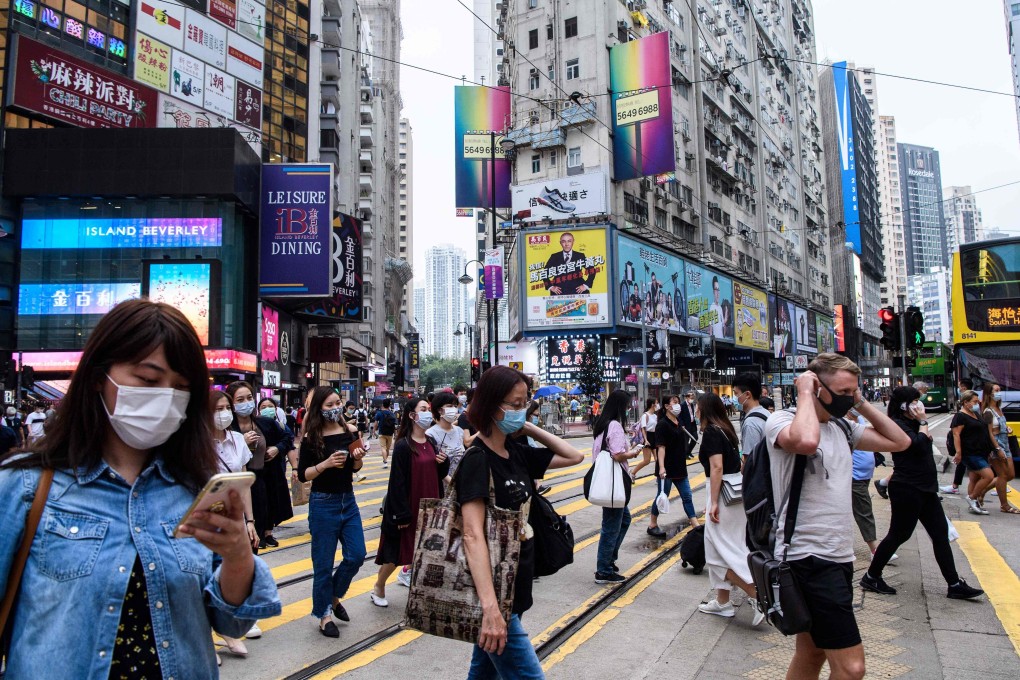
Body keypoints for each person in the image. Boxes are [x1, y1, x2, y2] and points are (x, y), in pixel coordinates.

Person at [0, 299, 281, 677]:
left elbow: (232, 624)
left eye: (180, 387)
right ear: (100, 375)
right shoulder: (25, 486)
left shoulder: (195, 488)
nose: (164, 396)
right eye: (148, 380)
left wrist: (237, 557)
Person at [764, 353, 911, 680]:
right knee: (852, 668)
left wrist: (859, 403)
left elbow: (900, 441)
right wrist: (803, 392)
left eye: (853, 391)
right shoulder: (782, 421)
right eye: (843, 391)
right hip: (809, 558)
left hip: (838, 555)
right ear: (817, 387)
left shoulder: (844, 427)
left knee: (811, 651)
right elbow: (804, 441)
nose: (849, 397)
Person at [457, 366, 584, 677]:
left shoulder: (515, 451)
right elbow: (472, 535)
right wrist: (490, 608)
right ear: (490, 405)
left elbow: (573, 456)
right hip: (496, 594)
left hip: (519, 583)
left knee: (484, 671)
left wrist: (526, 427)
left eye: (525, 402)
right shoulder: (477, 459)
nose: (521, 409)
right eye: (514, 404)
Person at [861, 386, 984, 600]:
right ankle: (872, 576)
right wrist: (924, 422)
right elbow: (916, 446)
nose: (919, 405)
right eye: (915, 401)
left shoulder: (914, 423)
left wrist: (921, 422)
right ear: (903, 405)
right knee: (899, 534)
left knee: (940, 534)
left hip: (926, 488)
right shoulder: (897, 425)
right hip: (907, 488)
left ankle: (954, 584)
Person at [297, 386, 367, 637]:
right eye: (329, 405)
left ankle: (334, 596)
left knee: (357, 554)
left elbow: (355, 468)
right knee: (323, 564)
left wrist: (358, 457)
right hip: (322, 503)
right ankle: (324, 614)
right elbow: (303, 475)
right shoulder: (311, 437)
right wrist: (325, 464)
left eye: (337, 402)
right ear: (318, 408)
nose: (335, 407)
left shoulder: (350, 431)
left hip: (348, 501)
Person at [697, 393, 764, 625]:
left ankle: (757, 594)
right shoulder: (726, 429)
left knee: (717, 554)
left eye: (697, 407)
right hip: (735, 493)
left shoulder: (712, 432)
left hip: (722, 495)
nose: (695, 411)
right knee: (724, 548)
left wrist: (713, 502)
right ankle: (722, 602)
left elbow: (716, 468)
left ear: (705, 409)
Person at [374, 399, 450, 605]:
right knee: (397, 553)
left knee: (427, 551)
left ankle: (423, 593)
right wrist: (401, 513)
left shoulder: (431, 442)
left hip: (430, 505)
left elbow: (437, 473)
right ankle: (379, 586)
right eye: (423, 409)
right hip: (409, 506)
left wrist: (444, 463)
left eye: (428, 410)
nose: (427, 413)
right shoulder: (403, 446)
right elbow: (396, 482)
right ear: (412, 415)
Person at [211, 388, 261, 659]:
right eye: (217, 409)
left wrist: (249, 521)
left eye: (225, 408)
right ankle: (215, 637)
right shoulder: (198, 443)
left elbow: (244, 485)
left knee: (236, 573)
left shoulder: (238, 441)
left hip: (234, 520)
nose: (224, 414)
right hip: (207, 520)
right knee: (209, 577)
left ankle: (233, 625)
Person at [226, 382, 294, 554]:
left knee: (258, 530)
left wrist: (276, 449)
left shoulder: (265, 423)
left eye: (249, 398)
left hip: (262, 482)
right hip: (235, 485)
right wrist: (243, 442)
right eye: (240, 399)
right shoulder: (226, 429)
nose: (246, 403)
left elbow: (288, 438)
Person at [592, 390, 642, 584]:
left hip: (608, 481)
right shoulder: (614, 426)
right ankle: (603, 570)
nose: (629, 408)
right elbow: (618, 455)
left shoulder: (603, 424)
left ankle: (609, 560)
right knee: (611, 526)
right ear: (620, 406)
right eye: (627, 405)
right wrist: (635, 452)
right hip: (613, 482)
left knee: (623, 520)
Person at [648, 395, 700, 538]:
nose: (678, 405)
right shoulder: (662, 424)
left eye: (678, 403)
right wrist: (662, 467)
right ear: (666, 406)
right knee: (662, 495)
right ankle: (652, 524)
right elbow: (661, 447)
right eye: (674, 403)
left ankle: (695, 524)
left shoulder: (678, 422)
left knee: (687, 496)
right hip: (667, 467)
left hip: (680, 467)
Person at [951, 390, 997, 515]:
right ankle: (972, 498)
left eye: (978, 401)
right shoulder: (960, 416)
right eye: (974, 401)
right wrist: (959, 452)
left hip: (981, 451)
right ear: (966, 402)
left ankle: (974, 504)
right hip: (970, 452)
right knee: (989, 475)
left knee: (974, 478)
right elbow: (956, 435)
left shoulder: (975, 413)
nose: (977, 403)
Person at [981, 383, 1018, 513]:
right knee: (1002, 475)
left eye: (999, 390)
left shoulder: (998, 408)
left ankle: (982, 491)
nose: (999, 392)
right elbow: (989, 432)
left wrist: (1006, 428)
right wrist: (997, 449)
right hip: (996, 445)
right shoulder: (987, 412)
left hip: (1005, 442)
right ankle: (1004, 505)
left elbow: (1000, 426)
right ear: (988, 393)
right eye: (996, 390)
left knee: (1010, 475)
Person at [428, 392, 472, 482]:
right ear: (439, 410)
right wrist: (452, 484)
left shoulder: (459, 431)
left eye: (455, 406)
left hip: (461, 484)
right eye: (449, 406)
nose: (454, 409)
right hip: (442, 486)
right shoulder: (430, 434)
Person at [543, 231, 597, 296]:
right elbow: (544, 273)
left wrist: (585, 285)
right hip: (559, 293)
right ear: (560, 243)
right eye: (563, 241)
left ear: (573, 242)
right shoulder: (554, 256)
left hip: (578, 292)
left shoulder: (580, 256)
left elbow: (592, 270)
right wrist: (551, 287)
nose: (566, 244)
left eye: (569, 241)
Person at [733, 373, 769, 457]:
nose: (735, 398)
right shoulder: (766, 413)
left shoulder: (751, 423)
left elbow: (749, 459)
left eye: (736, 393)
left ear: (747, 395)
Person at [631, 398, 659, 480]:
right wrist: (646, 440)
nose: (657, 405)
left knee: (658, 459)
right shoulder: (645, 415)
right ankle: (632, 473)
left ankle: (658, 476)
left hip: (654, 436)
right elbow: (643, 429)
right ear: (652, 405)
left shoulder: (655, 416)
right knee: (647, 461)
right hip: (647, 437)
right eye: (656, 403)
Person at [374, 397, 397, 467]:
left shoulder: (379, 413)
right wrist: (395, 435)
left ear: (382, 405)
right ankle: (385, 461)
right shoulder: (392, 414)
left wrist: (374, 431)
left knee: (383, 448)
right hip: (390, 433)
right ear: (389, 405)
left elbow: (375, 423)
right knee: (387, 448)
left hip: (382, 433)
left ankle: (385, 462)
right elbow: (395, 425)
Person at [679, 390, 699, 460]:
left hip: (692, 424)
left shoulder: (692, 404)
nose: (692, 399)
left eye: (693, 397)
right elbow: (679, 416)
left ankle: (689, 451)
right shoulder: (682, 405)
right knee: (686, 440)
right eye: (691, 397)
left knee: (695, 438)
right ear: (687, 397)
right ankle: (685, 454)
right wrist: (682, 424)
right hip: (686, 425)